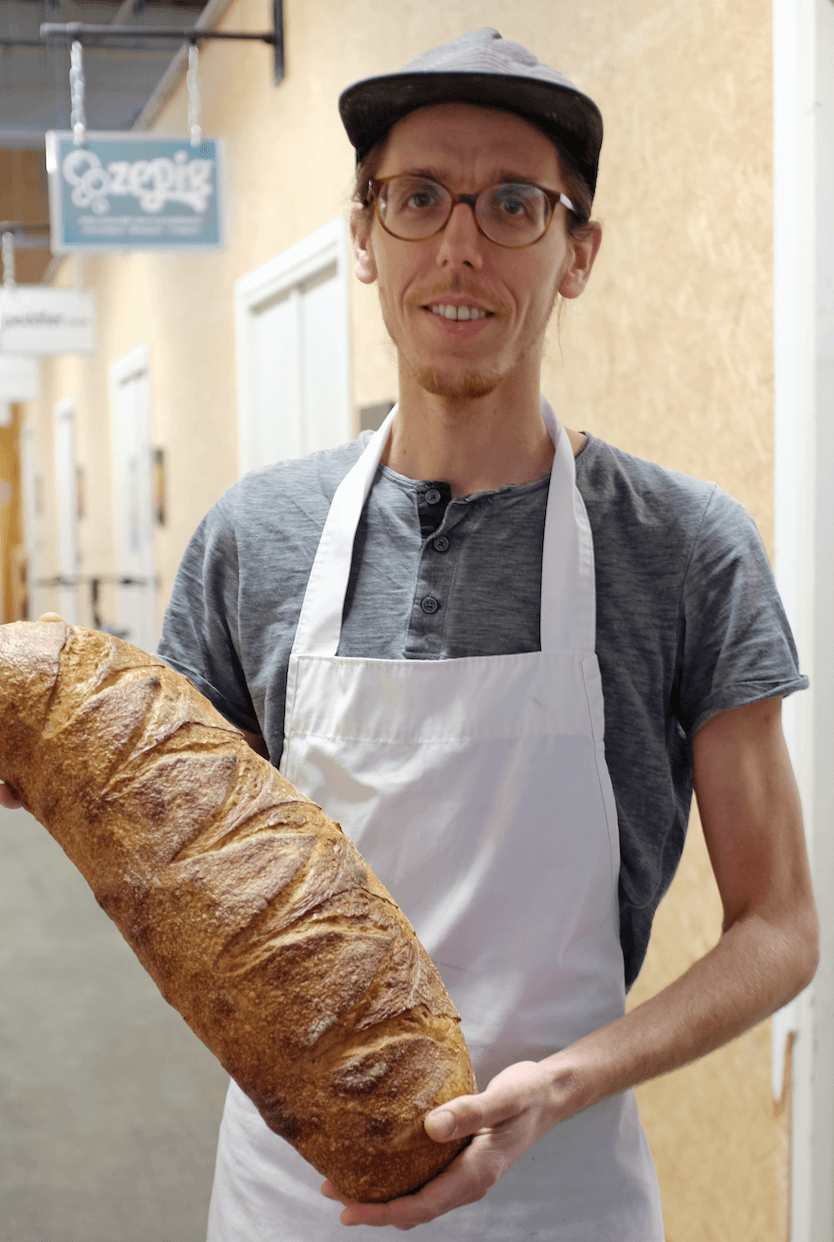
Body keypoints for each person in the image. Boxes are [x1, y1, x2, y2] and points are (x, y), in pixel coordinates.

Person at [2, 27, 819, 1240]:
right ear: (362, 236)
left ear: (577, 252)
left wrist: (570, 1083)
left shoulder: (683, 547)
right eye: (419, 196)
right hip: (295, 1201)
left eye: (513, 204)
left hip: (564, 1195)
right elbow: (166, 854)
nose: (460, 246)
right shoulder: (253, 538)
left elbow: (783, 927)